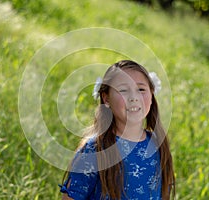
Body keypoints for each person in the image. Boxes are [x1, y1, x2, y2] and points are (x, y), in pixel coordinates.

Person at [59, 60, 175, 200]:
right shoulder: (95, 149)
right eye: (123, 90)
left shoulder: (157, 144)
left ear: (151, 95)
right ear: (106, 98)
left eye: (141, 89)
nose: (134, 97)